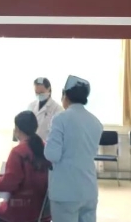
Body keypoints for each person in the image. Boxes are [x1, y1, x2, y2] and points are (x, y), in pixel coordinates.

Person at [44, 75, 103, 222]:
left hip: (65, 191)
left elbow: (52, 154)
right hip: (89, 190)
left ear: (65, 95)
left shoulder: (60, 119)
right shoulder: (96, 122)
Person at [0, 111, 51, 222]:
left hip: (20, 212)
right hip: (43, 212)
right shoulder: (46, 148)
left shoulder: (18, 152)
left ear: (17, 129)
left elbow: (9, 184)